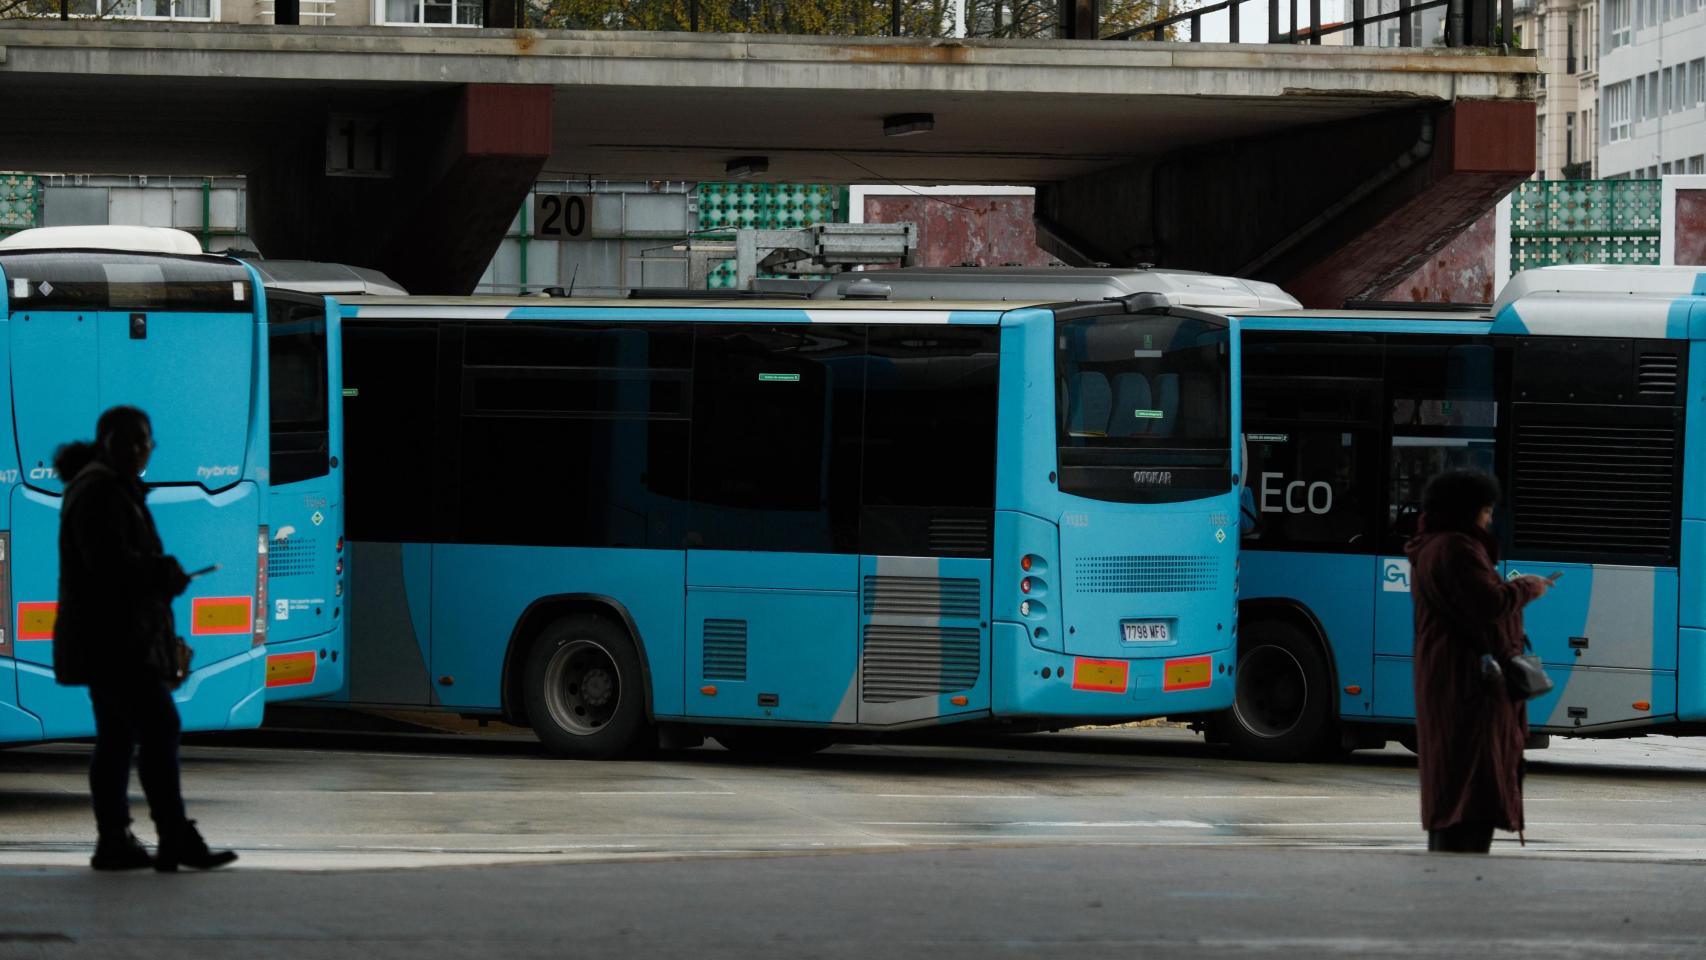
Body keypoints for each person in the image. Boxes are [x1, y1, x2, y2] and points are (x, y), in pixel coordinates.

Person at [51, 406, 238, 872]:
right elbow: (109, 565)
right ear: (106, 441)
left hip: (111, 638)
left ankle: (115, 840)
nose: (140, 449)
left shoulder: (105, 486)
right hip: (115, 641)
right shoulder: (101, 491)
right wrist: (163, 572)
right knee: (160, 726)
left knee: (117, 737)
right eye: (131, 440)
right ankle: (172, 836)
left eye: (146, 442)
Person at [1405, 469, 1551, 854]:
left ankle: (1453, 861)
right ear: (1467, 511)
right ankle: (1462, 873)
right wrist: (1527, 586)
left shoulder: (1433, 547)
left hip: (1454, 680)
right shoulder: (1457, 548)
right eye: (1485, 512)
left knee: (1454, 785)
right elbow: (1489, 603)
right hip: (1469, 687)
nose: (1489, 520)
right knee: (1472, 785)